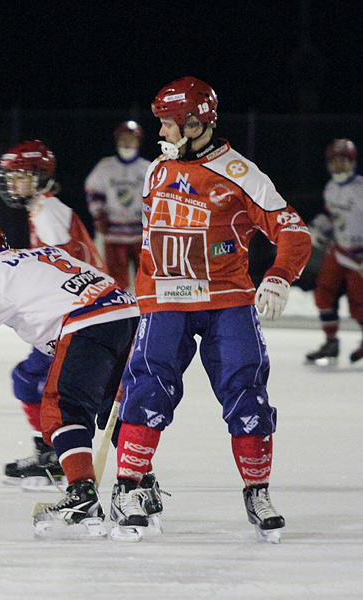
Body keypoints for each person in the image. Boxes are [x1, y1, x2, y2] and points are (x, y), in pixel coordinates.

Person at [109, 77, 312, 543]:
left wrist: (279, 275)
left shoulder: (242, 174)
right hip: (165, 301)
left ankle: (257, 491)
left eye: (167, 123)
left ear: (195, 122)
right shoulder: (157, 169)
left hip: (226, 300)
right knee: (147, 389)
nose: (159, 133)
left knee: (247, 389)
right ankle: (128, 488)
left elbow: (294, 230)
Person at [0, 220, 147, 539]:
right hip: (127, 314)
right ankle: (139, 491)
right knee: (118, 411)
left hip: (86, 322)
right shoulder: (36, 255)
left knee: (63, 409)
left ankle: (81, 498)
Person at [0, 140, 106, 490]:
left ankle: (55, 457)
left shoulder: (47, 213)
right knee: (33, 381)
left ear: (40, 176)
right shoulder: (45, 209)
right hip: (83, 313)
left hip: (81, 316)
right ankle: (51, 453)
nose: (12, 184)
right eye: (9, 177)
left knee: (39, 384)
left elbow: (67, 269)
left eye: (20, 176)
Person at [305, 139, 363, 365]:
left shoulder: (359, 189)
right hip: (339, 249)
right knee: (323, 294)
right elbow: (331, 216)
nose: (338, 167)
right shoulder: (330, 187)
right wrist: (318, 228)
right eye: (334, 162)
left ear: (352, 161)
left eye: (343, 162)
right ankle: (331, 341)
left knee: (359, 303)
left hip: (358, 255)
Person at [84, 121, 151, 290]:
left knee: (146, 278)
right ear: (117, 141)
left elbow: (156, 198)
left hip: (140, 233)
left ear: (139, 141)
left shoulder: (148, 168)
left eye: (131, 139)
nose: (127, 143)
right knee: (117, 280)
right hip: (113, 233)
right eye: (123, 139)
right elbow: (93, 191)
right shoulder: (106, 167)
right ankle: (122, 312)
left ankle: (143, 311)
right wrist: (98, 214)